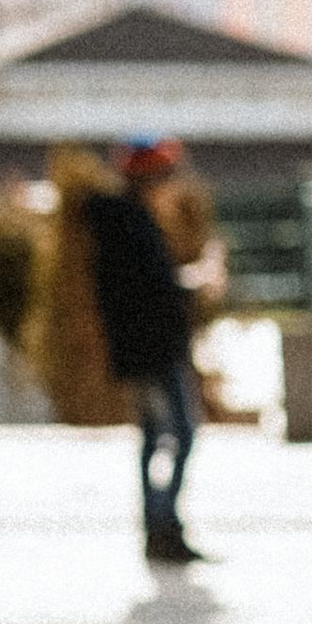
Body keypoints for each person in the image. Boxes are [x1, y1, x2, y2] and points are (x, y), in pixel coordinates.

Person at [85, 140, 210, 565]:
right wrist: (189, 286)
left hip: (145, 349)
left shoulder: (125, 221)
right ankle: (162, 524)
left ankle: (161, 525)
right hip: (153, 351)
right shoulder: (128, 223)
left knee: (158, 437)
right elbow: (144, 293)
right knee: (178, 433)